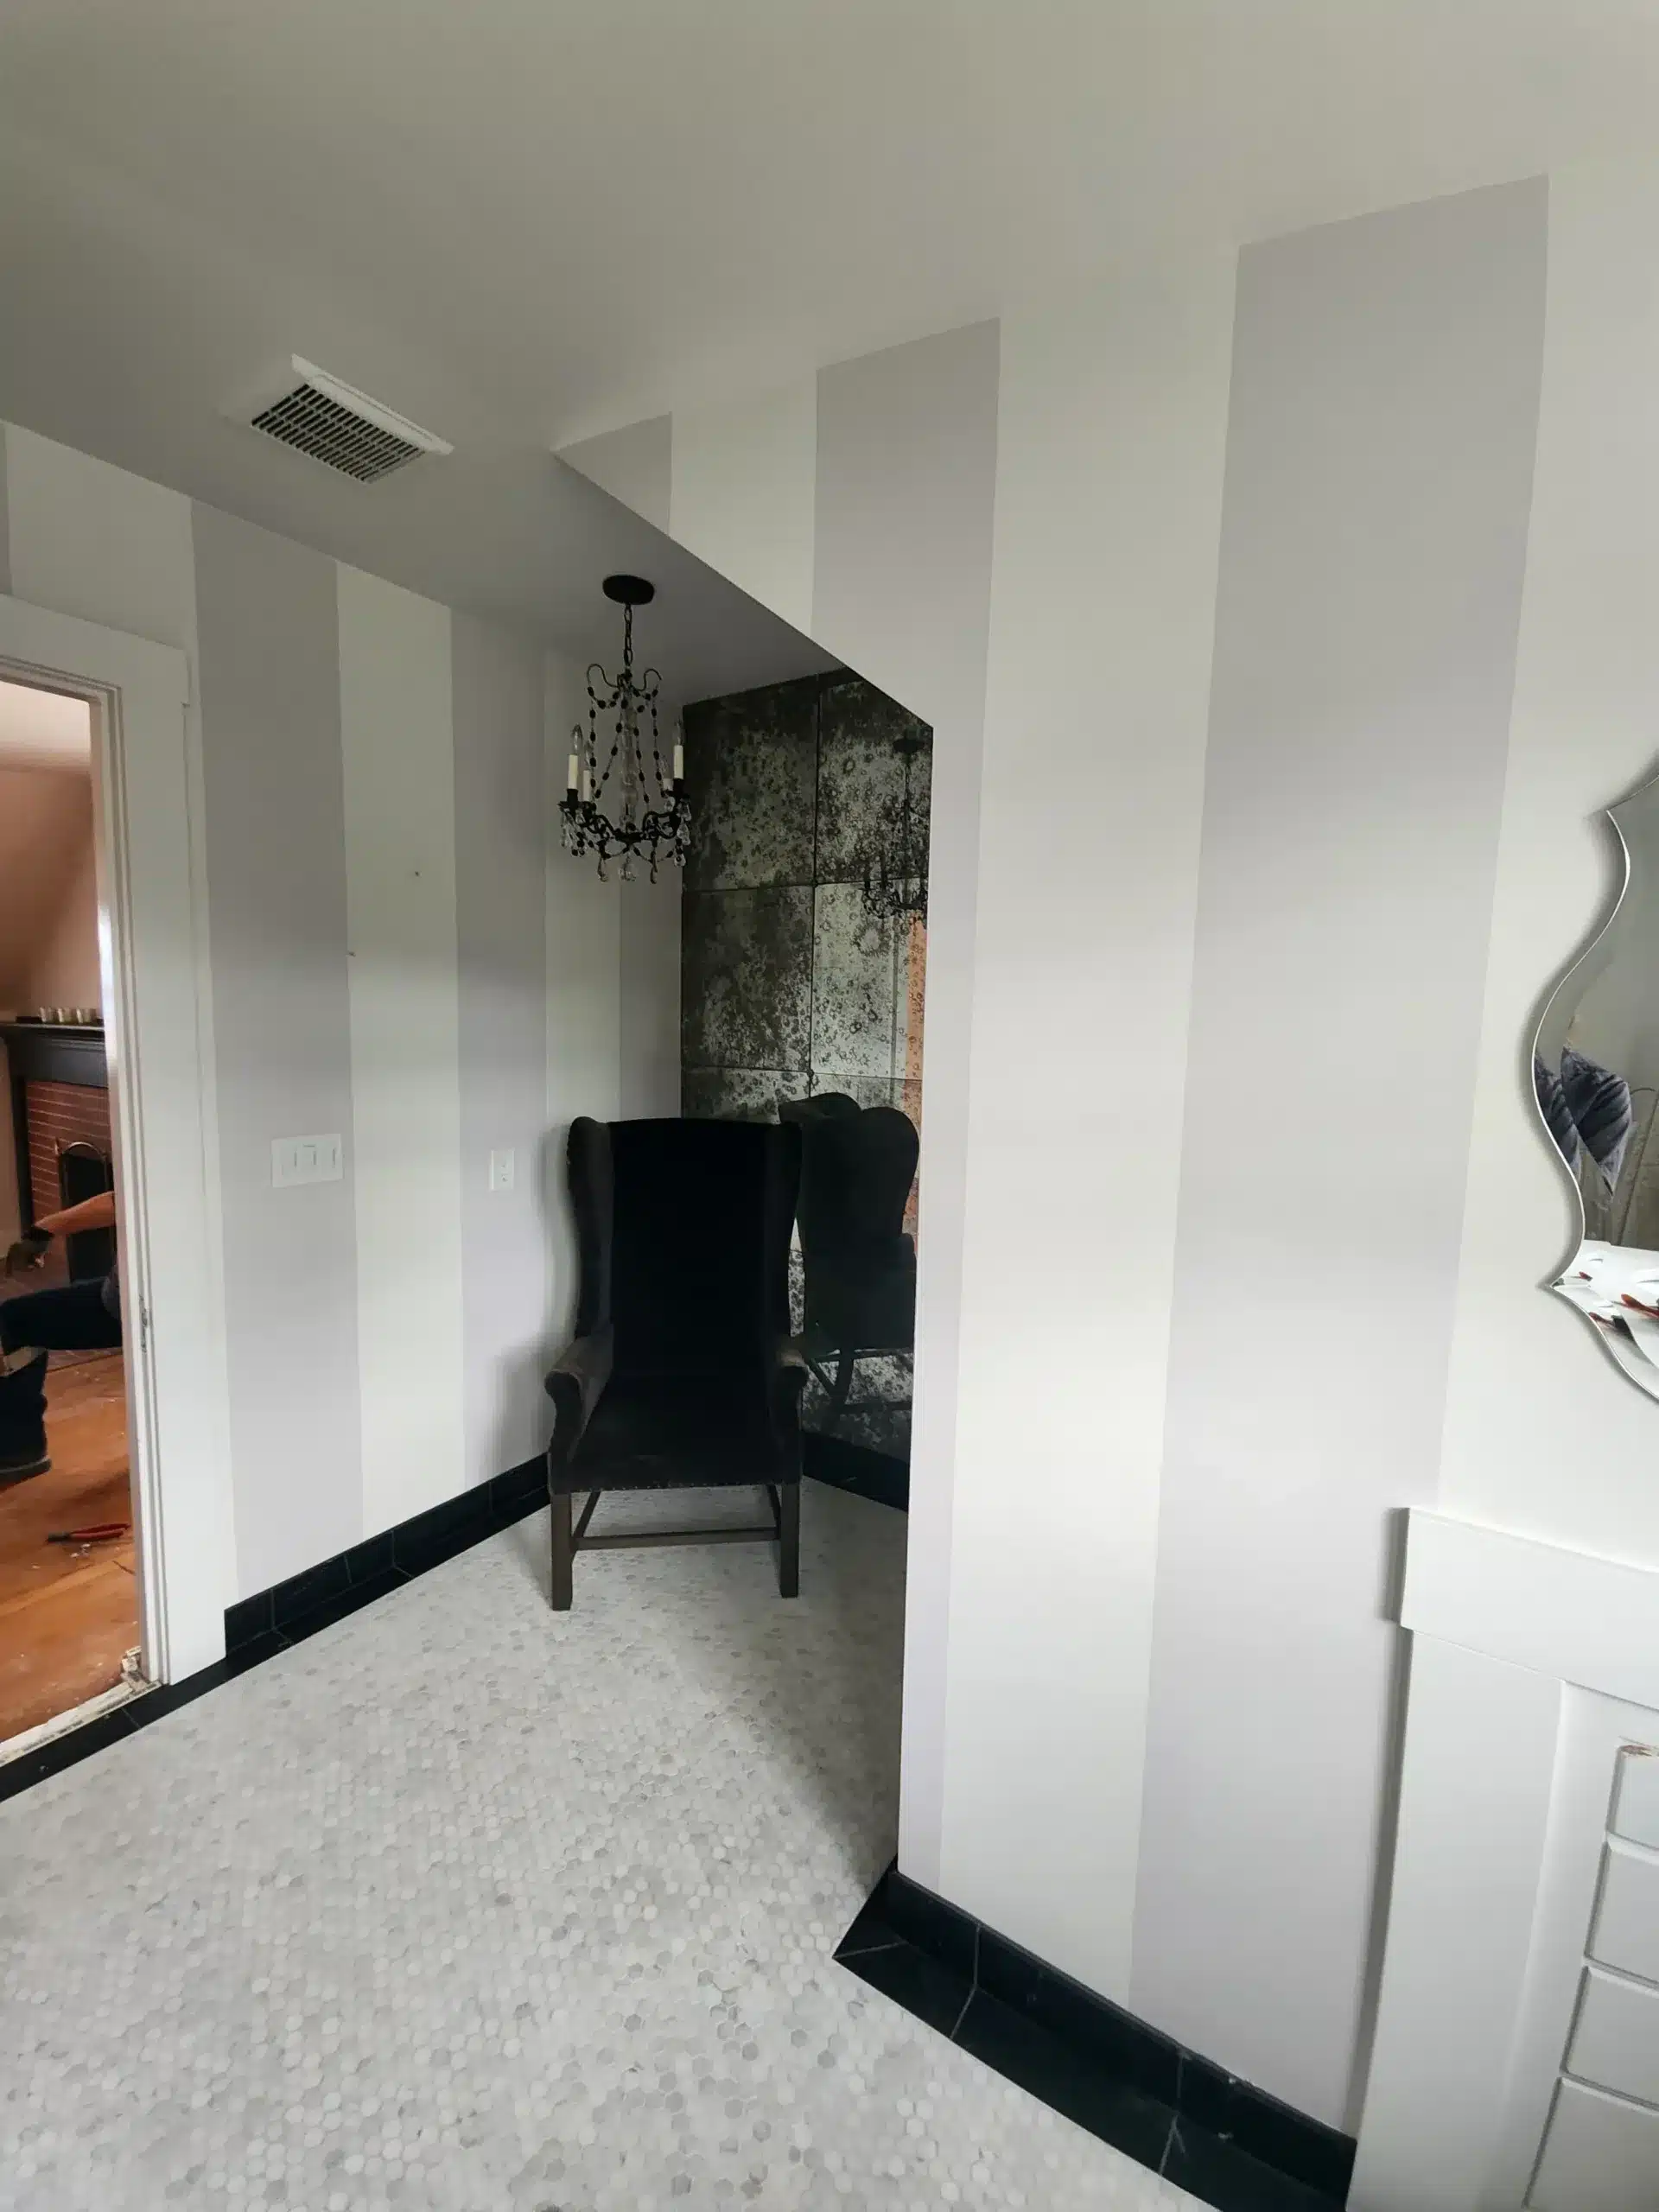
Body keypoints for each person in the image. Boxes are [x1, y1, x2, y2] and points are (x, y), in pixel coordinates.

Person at [0, 1190, 122, 1480]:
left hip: (126, 1305)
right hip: (136, 1297)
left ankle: (19, 1453)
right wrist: (44, 1230)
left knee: (13, 1322)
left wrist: (44, 1229)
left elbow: (122, 1200)